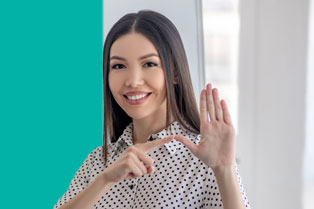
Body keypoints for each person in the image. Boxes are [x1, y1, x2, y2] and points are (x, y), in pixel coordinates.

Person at [53, 10, 250, 209]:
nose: (133, 81)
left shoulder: (205, 158)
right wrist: (104, 180)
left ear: (174, 73)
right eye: (119, 66)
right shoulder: (98, 161)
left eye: (149, 64)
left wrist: (224, 170)